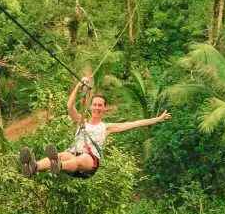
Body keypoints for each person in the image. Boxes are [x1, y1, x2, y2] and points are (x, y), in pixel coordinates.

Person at [19, 76, 171, 179]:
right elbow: (69, 106)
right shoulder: (81, 121)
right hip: (73, 158)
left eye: (100, 105)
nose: (97, 107)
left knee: (81, 157)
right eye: (95, 105)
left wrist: (157, 119)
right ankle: (34, 166)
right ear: (91, 106)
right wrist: (79, 85)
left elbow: (135, 123)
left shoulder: (107, 127)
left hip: (89, 165)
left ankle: (59, 166)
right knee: (63, 154)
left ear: (105, 108)